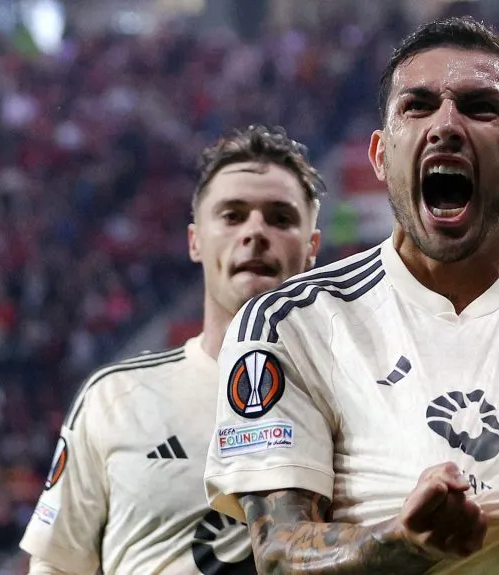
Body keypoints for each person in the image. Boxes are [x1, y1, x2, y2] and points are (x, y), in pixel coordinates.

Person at [203, 16, 499, 575]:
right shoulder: (289, 323)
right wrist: (405, 541)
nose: (445, 125)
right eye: (417, 106)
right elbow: (278, 553)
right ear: (380, 155)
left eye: (480, 107)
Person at [19, 125, 324, 574]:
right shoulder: (115, 399)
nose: (255, 232)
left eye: (280, 218)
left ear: (312, 247)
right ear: (195, 241)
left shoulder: (358, 394)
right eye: (233, 216)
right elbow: (57, 565)